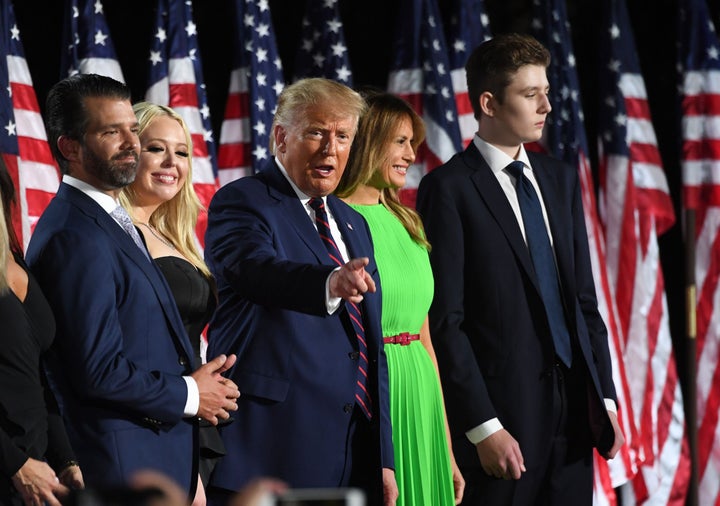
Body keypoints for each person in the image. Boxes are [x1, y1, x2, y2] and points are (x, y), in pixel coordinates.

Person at [415, 33, 624, 505]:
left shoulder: (560, 180)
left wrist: (604, 400)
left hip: (575, 418)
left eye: (546, 91)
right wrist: (482, 426)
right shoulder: (447, 189)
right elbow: (446, 322)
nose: (546, 105)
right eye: (530, 95)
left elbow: (583, 303)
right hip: (501, 424)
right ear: (488, 102)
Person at [25, 73, 240, 498]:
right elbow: (97, 370)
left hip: (164, 449)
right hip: (124, 461)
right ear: (70, 147)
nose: (132, 143)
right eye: (111, 132)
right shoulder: (75, 234)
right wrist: (191, 394)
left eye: (132, 129)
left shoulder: (108, 222)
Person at [203, 77, 397, 506]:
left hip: (351, 451)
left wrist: (384, 456)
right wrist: (328, 282)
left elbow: (371, 347)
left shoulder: (353, 222)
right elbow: (256, 271)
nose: (331, 148)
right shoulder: (244, 201)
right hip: (273, 446)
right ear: (281, 137)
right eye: (316, 132)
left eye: (343, 136)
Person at [335, 91, 464, 506]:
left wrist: (446, 448)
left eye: (413, 142)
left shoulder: (408, 222)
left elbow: (425, 340)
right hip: (373, 392)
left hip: (420, 390)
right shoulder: (332, 219)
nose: (412, 153)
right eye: (400, 142)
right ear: (369, 141)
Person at [118, 102, 226, 506]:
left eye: (181, 152)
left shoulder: (174, 238)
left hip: (186, 419)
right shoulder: (115, 237)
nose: (171, 162)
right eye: (156, 148)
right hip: (145, 423)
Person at [0, 163, 84, 506]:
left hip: (39, 479)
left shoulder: (18, 263)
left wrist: (67, 459)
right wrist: (15, 464)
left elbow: (40, 377)